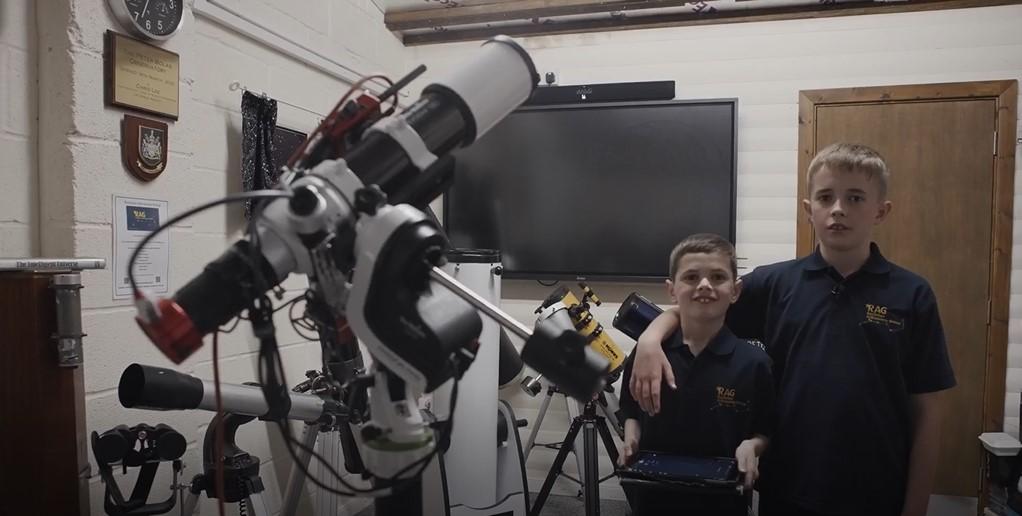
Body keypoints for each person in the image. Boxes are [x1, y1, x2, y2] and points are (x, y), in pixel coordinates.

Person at [627, 143, 956, 516]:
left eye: (855, 198)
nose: (838, 209)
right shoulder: (776, 284)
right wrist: (651, 339)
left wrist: (915, 509)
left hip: (877, 488)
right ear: (808, 210)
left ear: (881, 211)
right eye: (826, 197)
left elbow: (927, 410)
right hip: (789, 485)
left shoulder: (912, 294)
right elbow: (693, 307)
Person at [617, 233, 774, 516]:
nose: (704, 285)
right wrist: (632, 433)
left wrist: (753, 446)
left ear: (736, 290)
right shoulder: (648, 354)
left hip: (723, 503)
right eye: (691, 277)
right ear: (672, 290)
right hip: (653, 500)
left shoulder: (754, 363)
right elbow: (629, 407)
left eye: (717, 277)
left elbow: (766, 428)